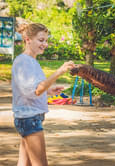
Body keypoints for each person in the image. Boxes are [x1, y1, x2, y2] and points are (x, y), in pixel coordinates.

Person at [11, 23, 75, 166]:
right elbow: (37, 90)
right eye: (41, 40)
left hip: (29, 118)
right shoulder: (23, 61)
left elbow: (33, 89)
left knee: (24, 163)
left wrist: (49, 90)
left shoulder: (31, 61)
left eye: (46, 40)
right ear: (28, 39)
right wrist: (59, 71)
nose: (45, 44)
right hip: (29, 119)